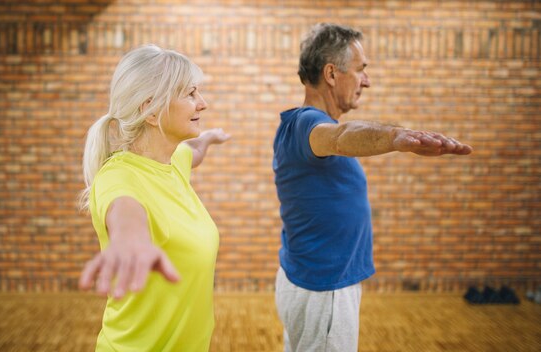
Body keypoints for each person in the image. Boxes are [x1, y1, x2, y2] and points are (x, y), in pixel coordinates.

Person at [273, 23, 472, 352]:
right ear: (332, 74)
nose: (367, 80)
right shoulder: (309, 123)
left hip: (312, 282)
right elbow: (340, 137)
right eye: (361, 70)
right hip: (326, 288)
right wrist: (395, 137)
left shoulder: (296, 124)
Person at [77, 44, 230, 351]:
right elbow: (125, 211)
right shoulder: (118, 177)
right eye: (190, 93)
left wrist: (208, 139)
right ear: (151, 110)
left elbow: (193, 153)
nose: (203, 103)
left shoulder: (173, 161)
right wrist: (130, 240)